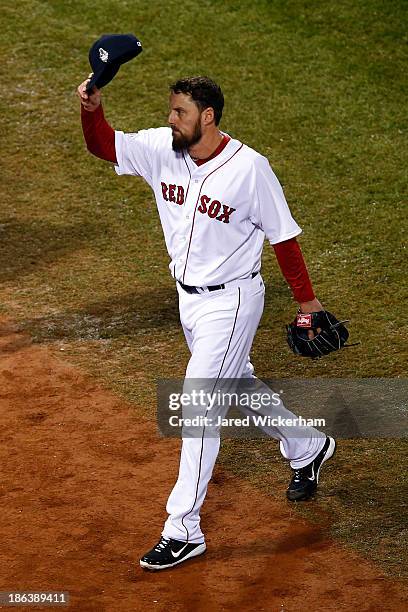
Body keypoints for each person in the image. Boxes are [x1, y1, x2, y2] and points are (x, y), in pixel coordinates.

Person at [77, 75, 336, 571]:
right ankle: (307, 444)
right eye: (172, 111)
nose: (171, 120)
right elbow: (105, 146)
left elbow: (284, 238)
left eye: (180, 112)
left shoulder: (250, 169)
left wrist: (308, 302)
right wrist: (92, 108)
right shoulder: (162, 149)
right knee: (234, 384)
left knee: (199, 404)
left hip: (234, 301)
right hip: (188, 302)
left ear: (208, 116)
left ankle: (183, 528)